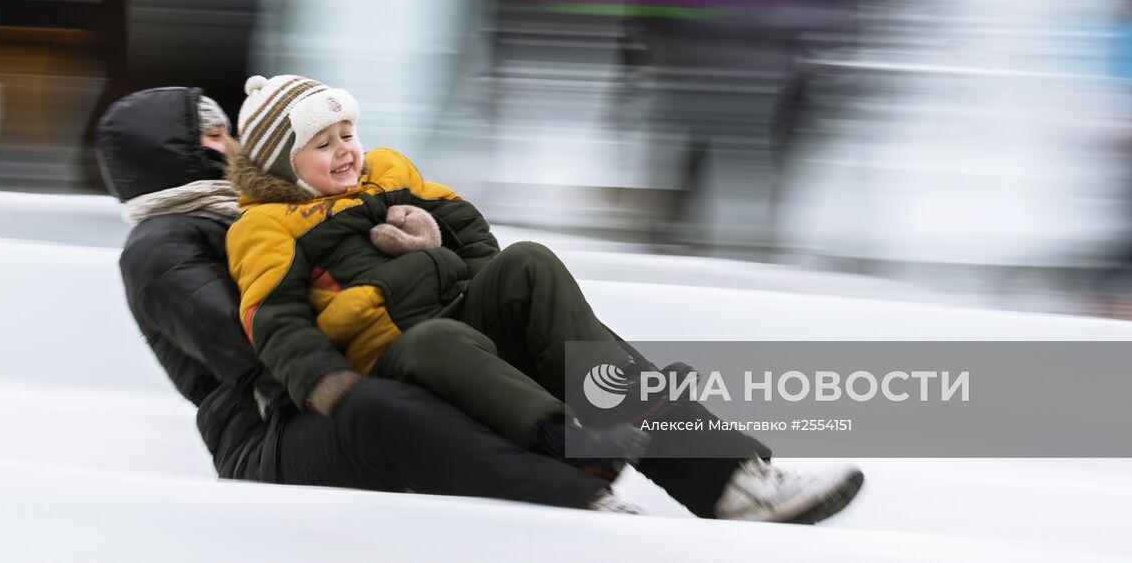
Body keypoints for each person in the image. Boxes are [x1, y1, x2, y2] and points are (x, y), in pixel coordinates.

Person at [226, 73, 865, 522]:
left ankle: (730, 480)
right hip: (396, 354)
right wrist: (331, 385)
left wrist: (444, 251)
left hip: (460, 313)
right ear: (282, 162)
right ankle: (573, 471)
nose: (344, 150)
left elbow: (471, 227)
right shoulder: (266, 225)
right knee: (437, 339)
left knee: (529, 262)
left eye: (346, 132)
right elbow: (272, 317)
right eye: (322, 142)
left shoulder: (390, 172)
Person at [96, 86, 635, 513]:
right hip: (275, 433)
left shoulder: (268, 203)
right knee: (380, 401)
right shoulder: (159, 247)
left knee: (526, 298)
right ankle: (574, 498)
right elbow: (257, 355)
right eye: (214, 134)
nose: (233, 142)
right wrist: (394, 305)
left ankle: (684, 438)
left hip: (345, 369)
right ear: (174, 153)